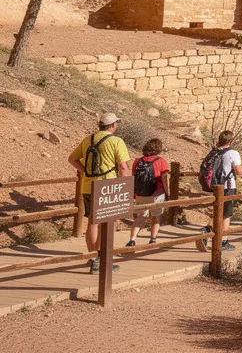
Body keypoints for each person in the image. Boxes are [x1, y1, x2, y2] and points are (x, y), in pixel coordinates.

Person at [68, 112, 131, 273]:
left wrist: (86, 172)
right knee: (106, 223)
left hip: (88, 186)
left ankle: (93, 258)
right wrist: (125, 187)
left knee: (92, 222)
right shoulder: (116, 141)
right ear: (113, 125)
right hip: (108, 188)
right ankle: (103, 259)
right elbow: (123, 167)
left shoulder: (88, 139)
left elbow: (72, 159)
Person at [201, 130, 242, 252]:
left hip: (216, 186)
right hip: (228, 186)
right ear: (230, 141)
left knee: (219, 211)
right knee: (226, 214)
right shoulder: (233, 153)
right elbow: (239, 171)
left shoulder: (214, 152)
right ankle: (223, 240)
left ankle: (207, 231)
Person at [127, 138, 169, 247]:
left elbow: (133, 177)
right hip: (157, 193)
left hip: (141, 193)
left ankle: (132, 239)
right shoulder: (161, 161)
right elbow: (164, 177)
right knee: (156, 217)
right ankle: (153, 239)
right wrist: (167, 192)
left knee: (140, 217)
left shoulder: (138, 161)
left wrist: (133, 193)